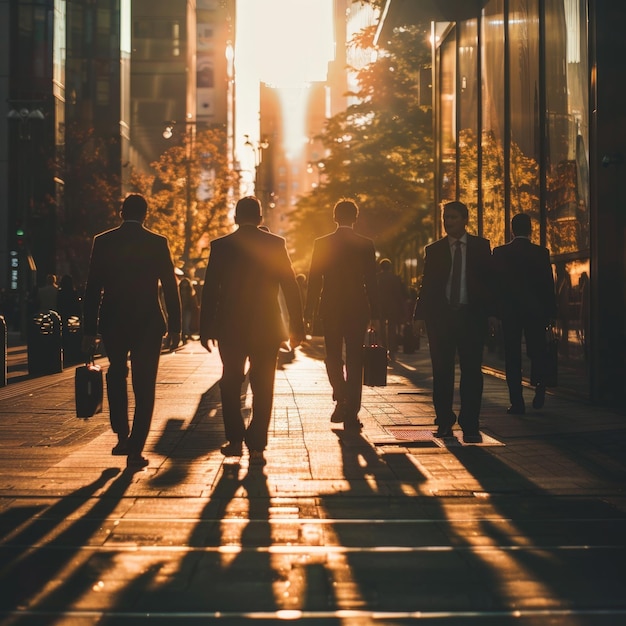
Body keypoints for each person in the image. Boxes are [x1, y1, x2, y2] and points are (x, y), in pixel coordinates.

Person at [199, 196, 305, 464]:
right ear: (260, 219)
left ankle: (234, 440)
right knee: (264, 384)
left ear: (235, 218)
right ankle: (257, 444)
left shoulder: (221, 246)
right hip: (267, 325)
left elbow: (210, 289)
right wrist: (297, 325)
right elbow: (290, 286)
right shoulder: (275, 244)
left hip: (230, 326)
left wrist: (205, 327)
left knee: (231, 381)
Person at [82, 194, 182, 469]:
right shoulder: (157, 242)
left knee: (116, 372)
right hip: (148, 321)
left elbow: (92, 288)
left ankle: (122, 434)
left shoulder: (103, 241)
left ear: (121, 211)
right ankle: (136, 448)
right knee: (144, 383)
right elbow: (170, 287)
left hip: (114, 319)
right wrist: (176, 326)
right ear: (146, 214)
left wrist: (88, 329)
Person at [413, 201, 494, 443]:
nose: (449, 222)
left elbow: (489, 283)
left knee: (471, 371)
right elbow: (427, 285)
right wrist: (419, 316)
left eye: (454, 217)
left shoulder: (481, 247)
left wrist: (491, 314)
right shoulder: (435, 250)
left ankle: (470, 422)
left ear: (465, 219)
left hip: (471, 318)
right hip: (442, 318)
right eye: (446, 218)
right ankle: (444, 421)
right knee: (442, 372)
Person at [304, 198, 379, 431]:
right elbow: (371, 281)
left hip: (331, 307)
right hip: (357, 307)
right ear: (356, 218)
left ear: (334, 217)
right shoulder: (366, 244)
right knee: (356, 359)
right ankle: (351, 411)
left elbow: (314, 279)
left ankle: (341, 395)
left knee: (333, 355)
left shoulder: (322, 243)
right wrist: (375, 313)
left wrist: (308, 312)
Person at [492, 212, 557, 414]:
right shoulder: (541, 253)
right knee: (537, 351)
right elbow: (548, 285)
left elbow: (496, 285)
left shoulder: (501, 252)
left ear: (512, 229)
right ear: (530, 229)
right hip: (535, 311)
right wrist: (549, 314)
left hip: (510, 312)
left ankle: (517, 402)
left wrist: (495, 312)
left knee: (512, 355)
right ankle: (540, 385)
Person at [376, 258, 406, 361]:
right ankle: (392, 352)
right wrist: (402, 308)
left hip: (380, 306)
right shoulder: (395, 278)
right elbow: (399, 294)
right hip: (392, 307)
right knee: (392, 329)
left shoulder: (377, 278)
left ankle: (383, 349)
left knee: (381, 329)